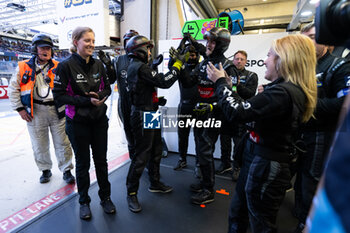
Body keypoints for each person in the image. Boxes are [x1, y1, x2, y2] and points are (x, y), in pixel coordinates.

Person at [207, 34, 318, 233]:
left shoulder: (282, 93)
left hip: (266, 165)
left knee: (260, 223)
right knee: (238, 213)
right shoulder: (281, 90)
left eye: (269, 55)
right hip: (258, 159)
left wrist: (221, 82)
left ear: (285, 60)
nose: (265, 60)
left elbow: (237, 112)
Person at [53, 27, 116, 220]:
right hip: (77, 122)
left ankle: (105, 198)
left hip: (98, 121)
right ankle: (84, 202)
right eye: (86, 40)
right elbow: (59, 96)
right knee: (82, 164)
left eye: (93, 40)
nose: (91, 44)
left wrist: (100, 96)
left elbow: (108, 89)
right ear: (75, 42)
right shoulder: (65, 66)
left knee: (101, 162)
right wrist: (86, 101)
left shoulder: (98, 64)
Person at [293, 22, 350, 232]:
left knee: (310, 180)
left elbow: (344, 103)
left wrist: (306, 104)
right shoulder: (302, 67)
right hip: (298, 132)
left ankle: (305, 222)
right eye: (306, 37)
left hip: (321, 134)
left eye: (314, 36)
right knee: (298, 179)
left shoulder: (338, 65)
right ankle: (300, 215)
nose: (310, 41)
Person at [125, 35, 185, 213]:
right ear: (140, 50)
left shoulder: (140, 67)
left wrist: (155, 101)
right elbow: (164, 82)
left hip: (149, 111)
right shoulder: (139, 67)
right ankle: (131, 192)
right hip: (143, 114)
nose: (150, 52)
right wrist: (178, 65)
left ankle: (155, 182)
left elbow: (143, 87)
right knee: (142, 155)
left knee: (156, 149)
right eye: (148, 49)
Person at [181, 27, 238, 205]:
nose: (208, 44)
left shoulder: (227, 67)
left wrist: (213, 105)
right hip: (200, 114)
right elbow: (190, 81)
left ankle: (208, 189)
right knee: (201, 149)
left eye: (212, 42)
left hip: (215, 115)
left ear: (221, 45)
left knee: (205, 150)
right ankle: (204, 182)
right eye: (208, 41)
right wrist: (180, 66)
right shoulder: (204, 63)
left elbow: (233, 96)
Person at [8, 33, 75, 184]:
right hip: (35, 111)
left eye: (49, 48)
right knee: (39, 143)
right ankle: (45, 170)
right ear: (34, 49)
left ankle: (66, 170)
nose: (46, 51)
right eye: (42, 48)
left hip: (57, 110)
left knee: (63, 142)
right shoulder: (23, 67)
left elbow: (70, 87)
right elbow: (13, 89)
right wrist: (20, 108)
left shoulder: (59, 66)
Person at [217, 50, 258, 178]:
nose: (238, 61)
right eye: (236, 59)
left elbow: (250, 94)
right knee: (224, 140)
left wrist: (237, 85)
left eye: (241, 59)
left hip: (240, 113)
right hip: (226, 112)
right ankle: (225, 164)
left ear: (246, 61)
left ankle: (237, 167)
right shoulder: (225, 73)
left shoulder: (252, 75)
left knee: (238, 143)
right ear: (233, 60)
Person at [173, 44, 200, 171]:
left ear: (197, 55)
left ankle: (199, 163)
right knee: (182, 136)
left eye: (193, 55)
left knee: (199, 137)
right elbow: (171, 65)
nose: (190, 57)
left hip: (198, 108)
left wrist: (196, 45)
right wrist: (180, 46)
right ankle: (182, 159)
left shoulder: (202, 67)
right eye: (188, 55)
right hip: (184, 106)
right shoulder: (181, 67)